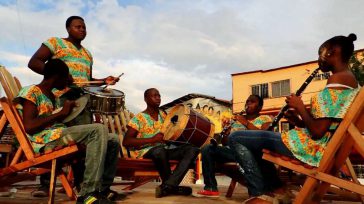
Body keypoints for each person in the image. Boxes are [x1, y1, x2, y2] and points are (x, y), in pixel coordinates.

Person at [228, 33, 360, 204]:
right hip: (316, 144)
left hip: (311, 148)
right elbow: (326, 126)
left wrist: (299, 107)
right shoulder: (349, 81)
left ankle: (262, 194)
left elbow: (318, 132)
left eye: (320, 53)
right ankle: (277, 188)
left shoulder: (338, 79)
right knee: (253, 142)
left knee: (236, 138)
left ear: (331, 52)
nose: (318, 59)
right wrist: (298, 120)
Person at [27, 15, 120, 197]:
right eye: (78, 26)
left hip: (81, 100)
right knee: (54, 135)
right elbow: (34, 62)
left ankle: (85, 187)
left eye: (84, 27)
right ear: (68, 28)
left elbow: (86, 81)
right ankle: (46, 184)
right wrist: (60, 76)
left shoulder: (87, 54)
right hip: (58, 98)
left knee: (85, 142)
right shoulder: (55, 43)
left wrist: (103, 81)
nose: (82, 30)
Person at [15, 59, 120, 203]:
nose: (68, 81)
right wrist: (60, 113)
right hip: (44, 140)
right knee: (98, 130)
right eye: (66, 77)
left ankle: (102, 190)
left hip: (59, 134)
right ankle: (87, 194)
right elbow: (30, 126)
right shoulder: (32, 91)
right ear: (57, 76)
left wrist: (70, 112)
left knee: (113, 139)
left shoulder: (53, 97)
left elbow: (60, 120)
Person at [123, 88, 200, 198]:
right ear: (146, 99)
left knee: (193, 149)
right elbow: (127, 141)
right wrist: (152, 140)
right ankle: (172, 187)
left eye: (159, 95)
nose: (158, 98)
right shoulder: (139, 118)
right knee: (159, 151)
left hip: (165, 150)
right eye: (154, 96)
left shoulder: (164, 116)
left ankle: (168, 186)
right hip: (146, 152)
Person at [194, 95, 273, 198]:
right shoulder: (236, 121)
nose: (248, 103)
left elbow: (265, 136)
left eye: (252, 101)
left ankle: (257, 193)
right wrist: (226, 134)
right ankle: (210, 187)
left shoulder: (265, 119)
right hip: (232, 152)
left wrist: (245, 123)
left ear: (260, 107)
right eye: (247, 101)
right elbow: (226, 143)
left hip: (251, 153)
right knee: (207, 149)